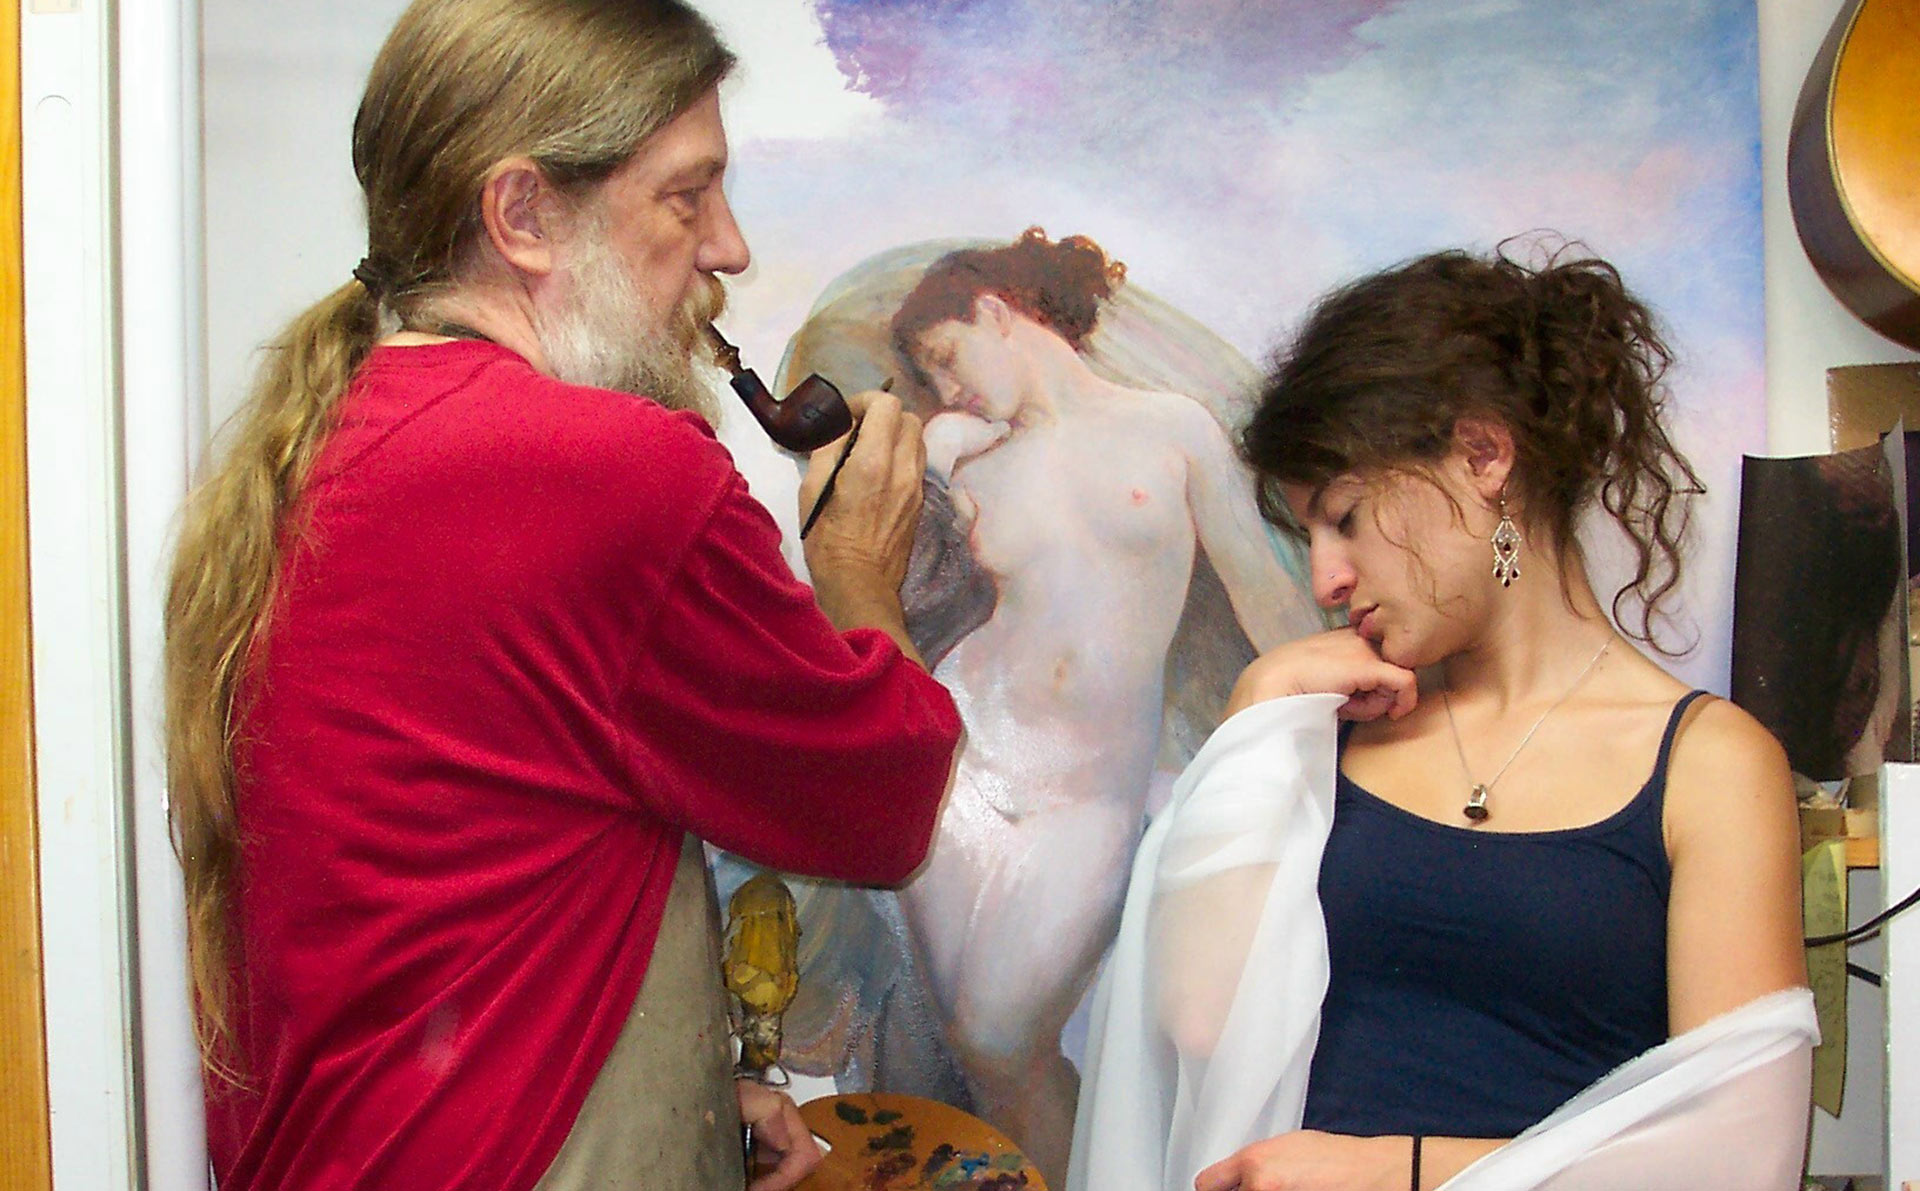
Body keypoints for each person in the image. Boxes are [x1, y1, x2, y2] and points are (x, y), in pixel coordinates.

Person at [161, 3, 961, 1190]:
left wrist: (688, 1080)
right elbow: (878, 805)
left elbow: (440, 899)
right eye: (687, 196)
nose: (730, 247)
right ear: (525, 215)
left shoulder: (321, 436)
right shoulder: (607, 469)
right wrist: (858, 575)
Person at [1069, 244, 1812, 1190]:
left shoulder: (1711, 765)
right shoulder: (1314, 729)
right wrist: (1256, 708)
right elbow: (1198, 1028)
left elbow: (1741, 1159)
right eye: (1309, 537)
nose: (1326, 579)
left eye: (1345, 516)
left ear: (1481, 455)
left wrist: (1395, 1172)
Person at [881, 229, 1324, 1180]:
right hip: (961, 784)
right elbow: (897, 604)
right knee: (981, 1055)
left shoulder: (1172, 427)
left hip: (1090, 791)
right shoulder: (970, 458)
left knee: (998, 1033)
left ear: (996, 311)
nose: (949, 389)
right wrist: (932, 463)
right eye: (932, 379)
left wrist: (1339, 709)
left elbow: (1265, 593)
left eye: (949, 359)